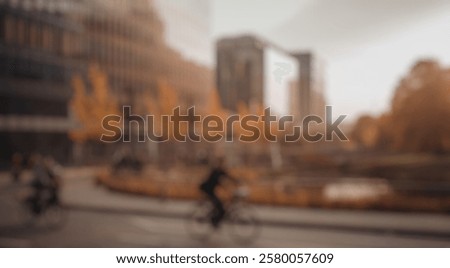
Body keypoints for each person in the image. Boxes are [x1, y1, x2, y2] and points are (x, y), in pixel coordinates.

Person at [199, 158, 238, 228]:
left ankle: (216, 219)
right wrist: (226, 186)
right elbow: (217, 180)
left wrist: (237, 181)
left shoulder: (220, 171)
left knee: (220, 205)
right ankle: (214, 220)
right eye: (222, 164)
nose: (223, 165)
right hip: (208, 190)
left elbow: (228, 176)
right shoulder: (216, 171)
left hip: (211, 190)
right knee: (220, 206)